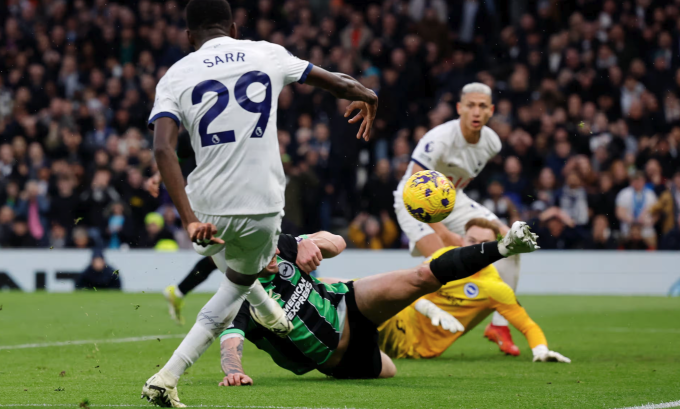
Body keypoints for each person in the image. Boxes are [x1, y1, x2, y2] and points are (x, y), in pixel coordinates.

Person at [143, 1, 378, 406]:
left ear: (188, 37)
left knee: (230, 265)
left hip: (206, 208)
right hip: (265, 206)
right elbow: (338, 83)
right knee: (240, 279)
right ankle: (177, 369)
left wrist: (186, 218)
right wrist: (368, 94)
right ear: (234, 28)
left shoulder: (175, 75)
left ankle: (255, 311)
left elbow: (163, 148)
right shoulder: (267, 52)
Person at [216, 221, 539, 386]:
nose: (273, 252)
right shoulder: (238, 297)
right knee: (390, 370)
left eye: (270, 245)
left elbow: (338, 243)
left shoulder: (282, 245)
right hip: (343, 360)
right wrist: (234, 373)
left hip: (350, 302)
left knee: (420, 276)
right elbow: (230, 344)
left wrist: (305, 243)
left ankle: (505, 246)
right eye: (263, 252)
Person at [393, 82, 523, 356]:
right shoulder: (438, 138)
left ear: (491, 111)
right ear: (459, 108)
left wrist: (500, 226)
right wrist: (444, 233)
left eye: (482, 106)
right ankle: (408, 320)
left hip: (453, 197)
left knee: (510, 241)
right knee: (440, 261)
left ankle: (499, 326)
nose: (476, 111)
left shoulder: (492, 142)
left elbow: (455, 184)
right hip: (414, 200)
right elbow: (414, 186)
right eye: (471, 105)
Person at [378, 218, 570, 363]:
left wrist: (541, 351)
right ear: (461, 241)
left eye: (484, 243)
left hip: (413, 344)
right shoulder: (442, 256)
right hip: (399, 315)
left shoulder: (494, 288)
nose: (476, 247)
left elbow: (528, 326)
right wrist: (427, 307)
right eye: (471, 240)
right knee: (358, 295)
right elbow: (409, 286)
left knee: (359, 316)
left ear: (494, 247)